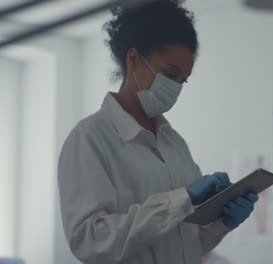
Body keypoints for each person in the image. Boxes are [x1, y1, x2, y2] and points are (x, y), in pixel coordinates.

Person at [57, 1, 258, 263]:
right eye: (170, 74)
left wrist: (222, 222)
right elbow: (90, 242)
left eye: (183, 80)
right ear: (133, 60)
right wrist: (180, 200)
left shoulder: (175, 144)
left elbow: (188, 241)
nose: (176, 88)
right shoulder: (89, 139)